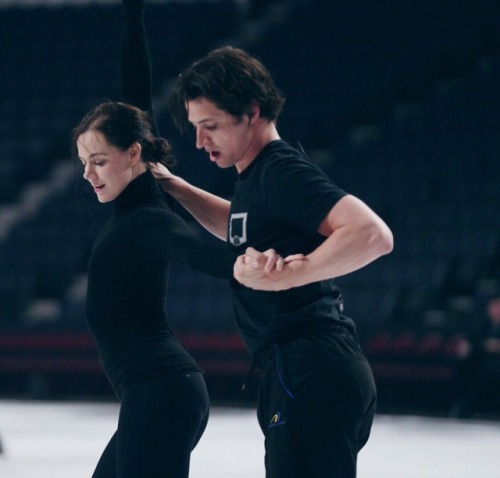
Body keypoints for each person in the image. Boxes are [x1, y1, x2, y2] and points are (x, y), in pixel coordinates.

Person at [151, 46, 394, 477]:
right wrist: (176, 188)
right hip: (302, 368)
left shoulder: (279, 171)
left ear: (252, 112)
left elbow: (373, 235)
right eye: (195, 127)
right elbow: (240, 226)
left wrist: (292, 275)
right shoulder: (256, 178)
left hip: (312, 369)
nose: (200, 141)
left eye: (211, 126)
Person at [71, 2, 285, 476]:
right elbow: (135, 94)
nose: (88, 175)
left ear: (132, 155)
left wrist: (247, 263)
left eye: (98, 162)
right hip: (158, 393)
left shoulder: (148, 217)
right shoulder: (136, 196)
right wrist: (132, 15)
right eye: (83, 163)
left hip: (161, 394)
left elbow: (201, 253)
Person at [451, 294, 500, 418]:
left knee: (489, 369)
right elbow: (473, 340)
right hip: (481, 358)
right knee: (464, 365)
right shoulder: (481, 323)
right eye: (494, 307)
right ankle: (464, 405)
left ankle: (485, 407)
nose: (496, 310)